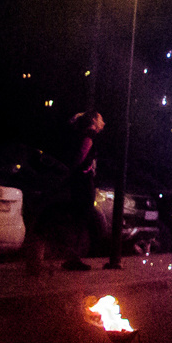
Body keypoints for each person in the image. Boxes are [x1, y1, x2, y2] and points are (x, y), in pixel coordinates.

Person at [63, 111, 105, 270]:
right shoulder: (88, 135)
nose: (104, 123)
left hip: (80, 181)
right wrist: (84, 170)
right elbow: (81, 156)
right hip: (83, 182)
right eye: (101, 119)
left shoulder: (81, 133)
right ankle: (73, 258)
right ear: (93, 121)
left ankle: (73, 256)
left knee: (79, 218)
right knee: (81, 218)